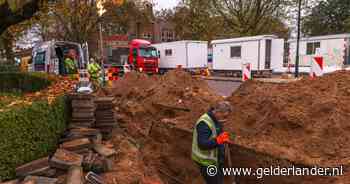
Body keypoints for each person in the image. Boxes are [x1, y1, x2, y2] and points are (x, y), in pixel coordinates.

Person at [192, 101, 233, 184]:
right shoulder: (204, 123)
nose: (225, 118)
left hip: (215, 159)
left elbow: (216, 132)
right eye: (224, 116)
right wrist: (219, 140)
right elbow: (202, 144)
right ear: (218, 112)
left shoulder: (216, 119)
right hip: (205, 161)